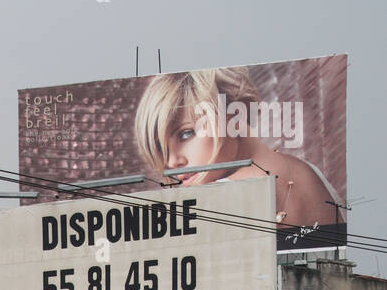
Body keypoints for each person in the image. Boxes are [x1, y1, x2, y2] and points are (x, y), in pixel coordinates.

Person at [134, 67, 343, 230]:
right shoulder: (309, 171)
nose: (172, 162)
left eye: (186, 134)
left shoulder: (217, 199)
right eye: (163, 149)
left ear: (232, 115)